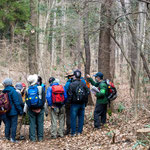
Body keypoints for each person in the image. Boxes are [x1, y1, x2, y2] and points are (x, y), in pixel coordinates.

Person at [68, 70, 89, 136]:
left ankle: (73, 132)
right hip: (82, 103)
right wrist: (85, 102)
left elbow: (70, 95)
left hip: (74, 104)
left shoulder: (71, 85)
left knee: (73, 118)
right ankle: (79, 132)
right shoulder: (83, 84)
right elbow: (87, 93)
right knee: (81, 118)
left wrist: (69, 102)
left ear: (74, 76)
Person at [25, 74, 45, 142]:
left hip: (31, 109)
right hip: (40, 108)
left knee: (32, 124)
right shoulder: (40, 88)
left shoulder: (27, 90)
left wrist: (32, 108)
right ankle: (40, 138)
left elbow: (26, 101)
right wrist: (40, 108)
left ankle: (33, 138)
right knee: (40, 123)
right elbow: (43, 99)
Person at [2, 78, 23, 143]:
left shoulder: (4, 91)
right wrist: (20, 111)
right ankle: (13, 139)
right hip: (13, 111)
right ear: (10, 83)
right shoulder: (13, 91)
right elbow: (16, 102)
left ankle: (7, 137)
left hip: (6, 110)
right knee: (14, 124)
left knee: (7, 124)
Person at [64, 70, 74, 135]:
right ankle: (74, 129)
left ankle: (68, 130)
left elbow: (65, 93)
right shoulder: (78, 81)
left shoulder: (67, 84)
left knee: (68, 116)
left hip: (69, 102)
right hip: (76, 102)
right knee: (75, 116)